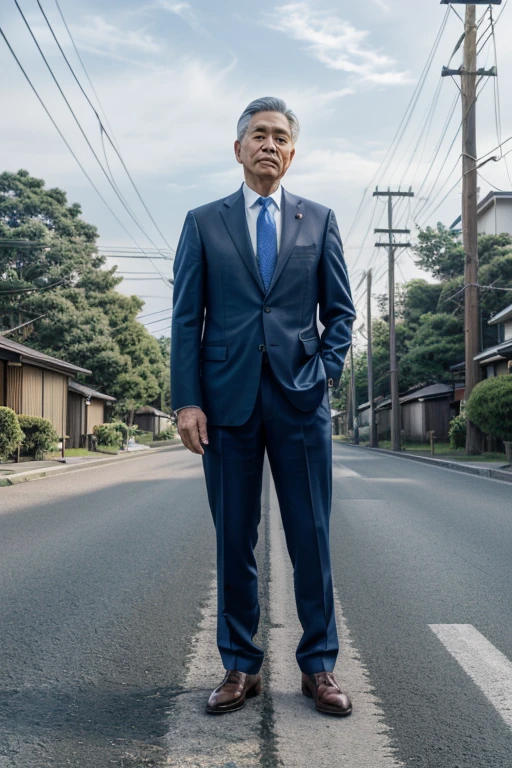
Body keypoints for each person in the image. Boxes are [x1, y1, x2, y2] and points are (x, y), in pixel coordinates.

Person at [171, 97, 356, 716]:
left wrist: (322, 374)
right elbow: (184, 321)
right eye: (258, 135)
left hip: (301, 404)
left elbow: (341, 316)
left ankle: (319, 666)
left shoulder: (319, 220)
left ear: (292, 152)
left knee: (312, 537)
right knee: (235, 540)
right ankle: (240, 666)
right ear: (238, 148)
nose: (269, 144)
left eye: (280, 136)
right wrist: (187, 401)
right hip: (226, 405)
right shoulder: (203, 222)